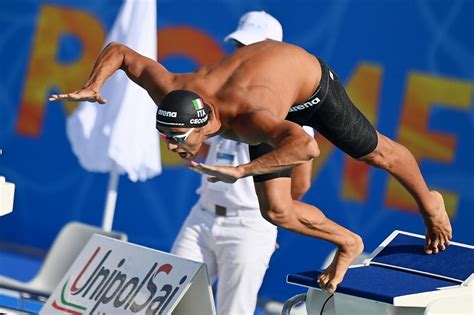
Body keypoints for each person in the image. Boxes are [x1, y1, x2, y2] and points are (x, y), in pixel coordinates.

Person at [50, 24, 452, 294]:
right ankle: (348, 241)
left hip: (309, 88)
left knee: (375, 153)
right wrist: (92, 85)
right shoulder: (171, 88)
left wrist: (240, 170)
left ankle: (428, 201)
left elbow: (307, 148)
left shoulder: (250, 120)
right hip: (266, 97)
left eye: (177, 139)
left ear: (205, 124)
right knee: (275, 211)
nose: (172, 147)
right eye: (166, 137)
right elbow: (120, 52)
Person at [170, 11, 314, 315]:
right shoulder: (217, 93)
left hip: (249, 225)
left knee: (233, 312)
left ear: (274, 54)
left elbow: (300, 183)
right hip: (202, 216)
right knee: (170, 301)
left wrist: (270, 221)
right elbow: (198, 146)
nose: (242, 55)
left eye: (251, 48)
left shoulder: (291, 111)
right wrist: (184, 146)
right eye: (239, 46)